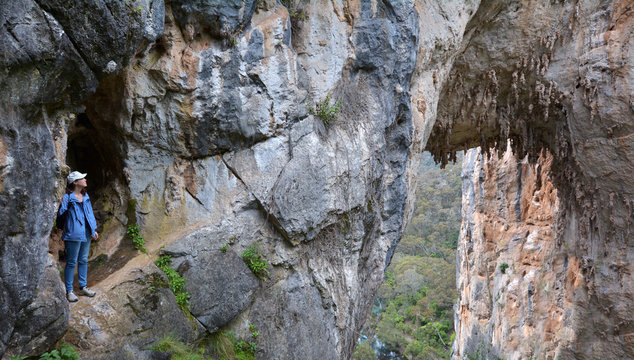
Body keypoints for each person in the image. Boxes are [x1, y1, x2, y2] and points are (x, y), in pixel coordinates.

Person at [58, 171, 99, 302]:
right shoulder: (68, 197)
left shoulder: (85, 196)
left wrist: (94, 229)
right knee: (71, 262)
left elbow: (90, 213)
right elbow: (61, 214)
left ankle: (83, 287)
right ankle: (69, 291)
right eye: (82, 178)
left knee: (83, 260)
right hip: (73, 234)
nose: (85, 179)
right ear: (75, 182)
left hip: (86, 232)